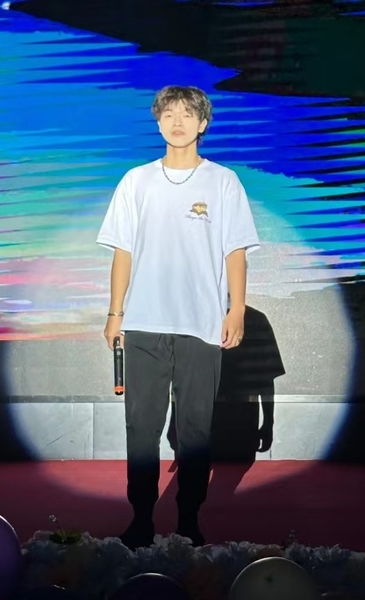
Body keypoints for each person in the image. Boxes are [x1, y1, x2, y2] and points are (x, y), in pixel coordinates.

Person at [96, 85, 260, 549]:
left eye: (188, 114)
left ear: (202, 123)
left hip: (201, 324)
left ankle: (189, 519)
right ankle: (141, 518)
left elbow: (235, 251)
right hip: (144, 323)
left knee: (194, 428)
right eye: (169, 114)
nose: (177, 122)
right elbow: (123, 252)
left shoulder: (223, 181)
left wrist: (236, 308)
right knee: (140, 426)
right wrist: (115, 313)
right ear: (158, 121)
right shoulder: (136, 181)